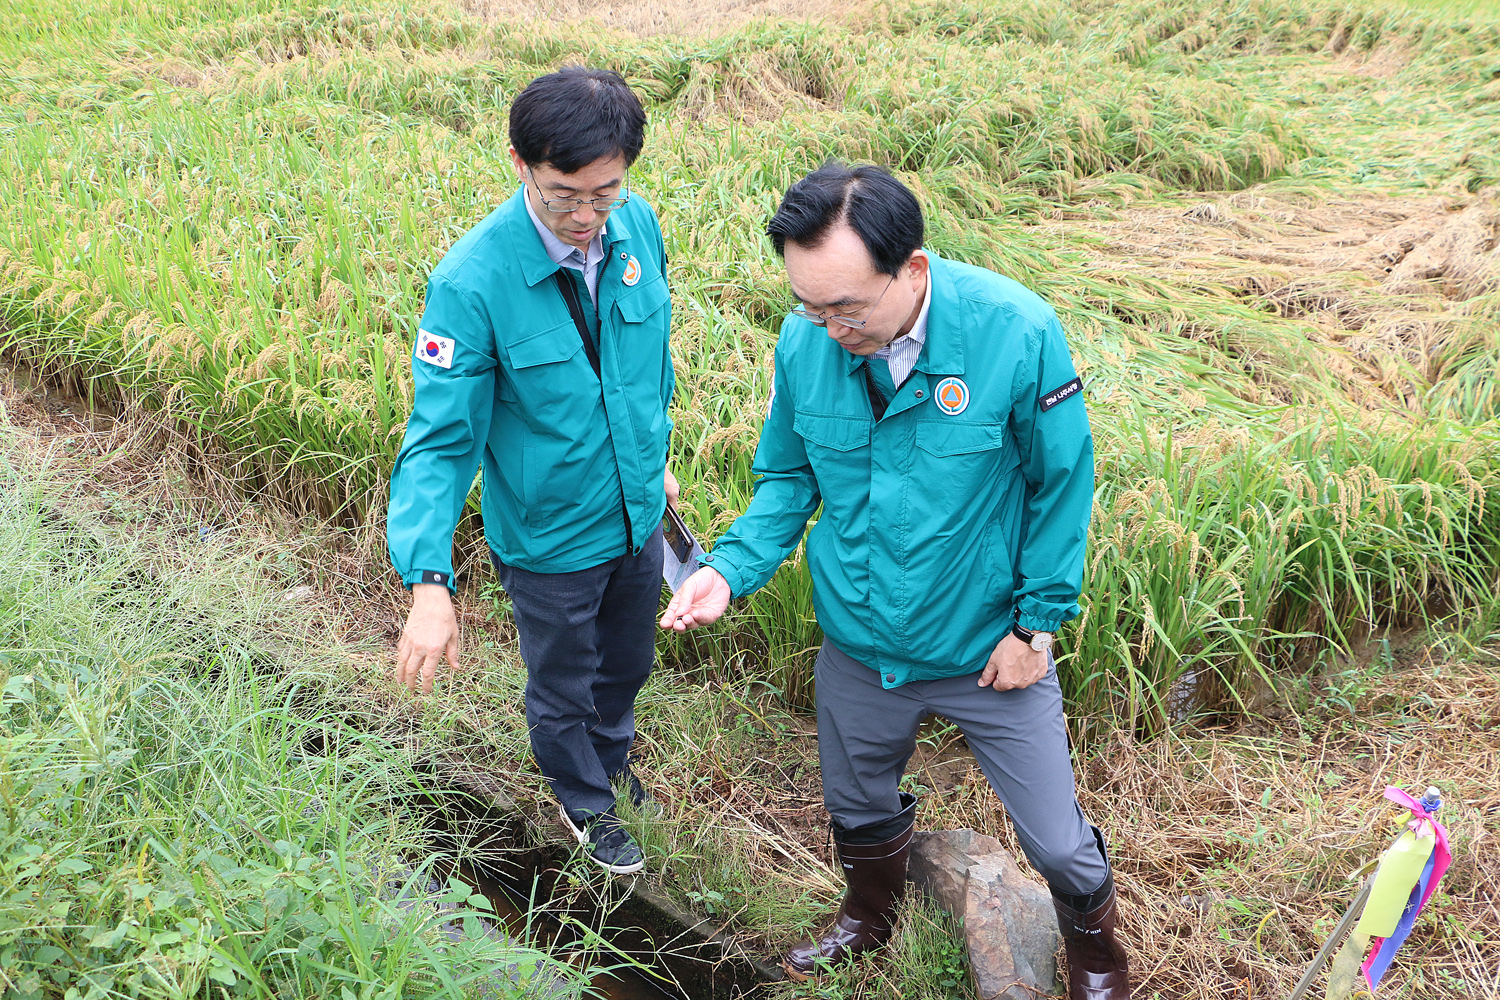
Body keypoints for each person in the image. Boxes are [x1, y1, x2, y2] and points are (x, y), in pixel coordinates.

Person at [660, 163, 1130, 998]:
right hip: (861, 639)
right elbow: (789, 481)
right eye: (811, 305)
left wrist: (1036, 629)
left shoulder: (1014, 332)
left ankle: (1097, 956)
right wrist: (727, 571)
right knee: (858, 801)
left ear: (912, 269)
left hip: (987, 643)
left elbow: (1063, 486)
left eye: (847, 307)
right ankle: (868, 915)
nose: (829, 327)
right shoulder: (807, 341)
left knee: (1056, 840)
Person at [388, 67, 677, 876]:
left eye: (605, 193)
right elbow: (438, 443)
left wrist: (656, 461)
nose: (586, 216)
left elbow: (647, 362)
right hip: (549, 535)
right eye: (563, 195)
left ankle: (611, 757)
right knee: (564, 679)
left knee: (627, 662)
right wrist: (429, 582)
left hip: (635, 510)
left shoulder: (638, 229)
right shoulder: (472, 282)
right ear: (520, 163)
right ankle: (582, 796)